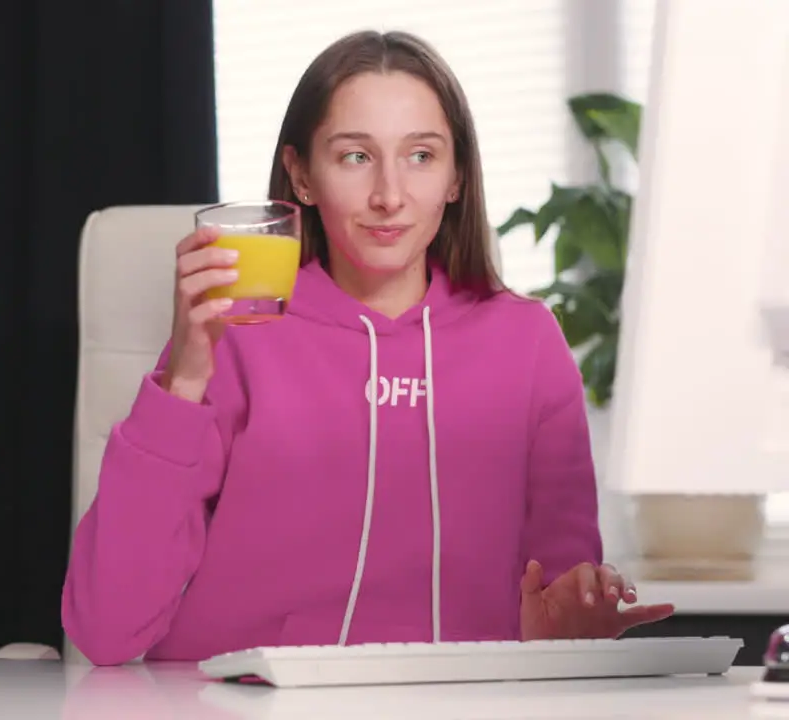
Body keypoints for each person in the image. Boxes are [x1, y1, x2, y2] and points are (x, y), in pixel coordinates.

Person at [61, 29, 674, 667]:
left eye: (421, 156)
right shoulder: (232, 334)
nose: (389, 194)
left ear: (456, 175)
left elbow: (556, 601)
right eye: (355, 157)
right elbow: (107, 630)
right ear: (301, 175)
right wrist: (182, 384)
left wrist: (575, 613)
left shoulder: (527, 342)